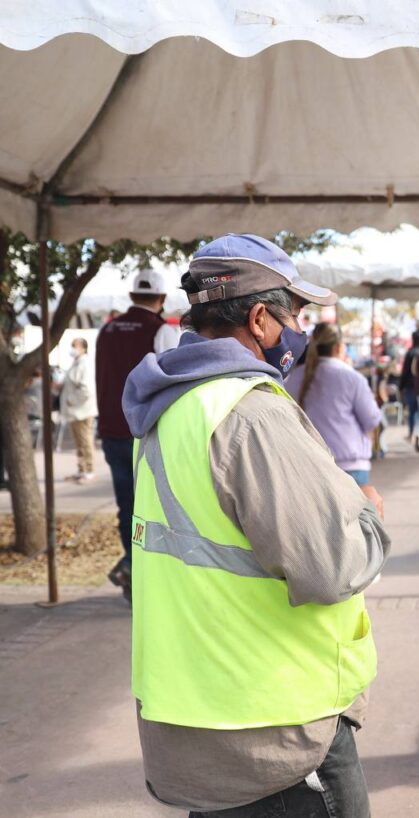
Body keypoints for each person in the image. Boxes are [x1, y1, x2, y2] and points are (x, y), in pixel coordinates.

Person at [122, 233, 390, 817]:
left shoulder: (168, 408)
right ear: (262, 318)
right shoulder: (250, 411)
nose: (301, 327)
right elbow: (331, 567)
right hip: (278, 737)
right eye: (295, 312)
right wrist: (365, 510)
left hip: (193, 723)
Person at [95, 267, 179, 600]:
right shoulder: (162, 332)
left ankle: (131, 567)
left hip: (112, 430)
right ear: (161, 299)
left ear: (132, 297)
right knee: (154, 508)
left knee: (126, 506)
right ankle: (137, 569)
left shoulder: (107, 330)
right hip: (146, 432)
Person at [286, 322, 383, 487]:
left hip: (309, 467)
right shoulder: (352, 378)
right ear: (338, 347)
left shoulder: (294, 378)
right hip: (350, 466)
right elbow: (372, 420)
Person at [61, 337, 98, 482]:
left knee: (85, 441)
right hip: (75, 411)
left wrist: (71, 400)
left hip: (82, 410)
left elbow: (86, 390)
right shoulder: (77, 363)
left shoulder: (86, 364)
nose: (72, 348)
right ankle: (82, 469)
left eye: (74, 345)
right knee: (79, 443)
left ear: (83, 347)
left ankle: (89, 469)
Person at [398, 331, 419, 441]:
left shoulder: (410, 353)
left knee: (412, 411)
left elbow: (405, 371)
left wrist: (401, 386)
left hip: (409, 386)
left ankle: (412, 434)